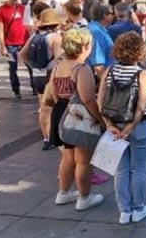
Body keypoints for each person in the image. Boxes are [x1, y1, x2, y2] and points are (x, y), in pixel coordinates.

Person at [41, 28, 105, 211]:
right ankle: (85, 197)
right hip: (79, 117)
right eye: (90, 44)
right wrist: (100, 119)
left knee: (68, 158)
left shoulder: (58, 66)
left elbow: (53, 94)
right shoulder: (81, 68)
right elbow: (88, 99)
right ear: (84, 46)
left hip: (60, 113)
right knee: (83, 161)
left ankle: (63, 192)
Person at [97, 32, 146, 224]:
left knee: (121, 170)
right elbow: (141, 105)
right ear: (140, 52)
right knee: (138, 169)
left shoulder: (110, 71)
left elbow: (100, 101)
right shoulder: (142, 74)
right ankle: (138, 208)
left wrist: (109, 125)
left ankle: (124, 211)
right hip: (139, 125)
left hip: (115, 123)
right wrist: (130, 127)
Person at [20, 8, 64, 150]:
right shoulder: (55, 38)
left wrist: (33, 66)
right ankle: (54, 136)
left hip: (37, 75)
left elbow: (22, 54)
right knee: (54, 106)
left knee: (43, 108)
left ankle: (46, 137)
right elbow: (59, 60)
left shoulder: (34, 36)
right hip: (50, 74)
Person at [0, 0, 31, 98]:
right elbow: (0, 29)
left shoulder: (23, 8)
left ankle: (35, 87)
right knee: (13, 67)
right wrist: (2, 46)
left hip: (25, 41)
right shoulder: (1, 10)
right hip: (10, 44)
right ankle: (16, 90)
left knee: (30, 65)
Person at [87, 4, 115, 78]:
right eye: (112, 13)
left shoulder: (96, 29)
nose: (114, 16)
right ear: (104, 15)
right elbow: (98, 66)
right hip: (102, 78)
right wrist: (107, 84)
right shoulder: (97, 33)